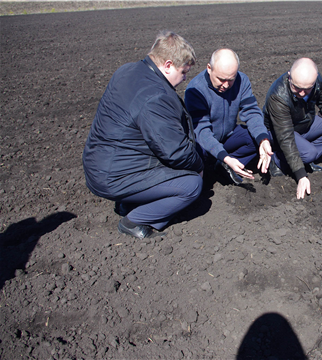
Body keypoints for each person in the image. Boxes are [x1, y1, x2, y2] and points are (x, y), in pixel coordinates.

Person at [82, 31, 204, 239]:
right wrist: (198, 166)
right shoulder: (156, 96)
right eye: (183, 72)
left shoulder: (127, 70)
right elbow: (175, 152)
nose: (184, 79)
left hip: (97, 162)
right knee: (191, 185)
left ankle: (127, 201)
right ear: (167, 65)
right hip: (112, 176)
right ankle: (135, 220)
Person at [262, 58, 322, 199]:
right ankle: (277, 160)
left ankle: (304, 154)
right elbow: (285, 136)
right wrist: (301, 175)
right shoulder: (278, 96)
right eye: (297, 88)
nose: (302, 93)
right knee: (309, 153)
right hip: (279, 131)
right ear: (289, 76)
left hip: (304, 124)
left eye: (307, 89)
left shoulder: (315, 80)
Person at [184, 49, 273, 185]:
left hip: (228, 136)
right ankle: (219, 165)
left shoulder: (241, 80)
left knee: (261, 137)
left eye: (230, 80)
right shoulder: (196, 90)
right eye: (221, 79)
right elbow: (201, 131)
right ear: (209, 68)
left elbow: (252, 112)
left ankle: (223, 167)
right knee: (196, 160)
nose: (225, 85)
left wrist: (263, 139)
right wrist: (224, 156)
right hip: (203, 143)